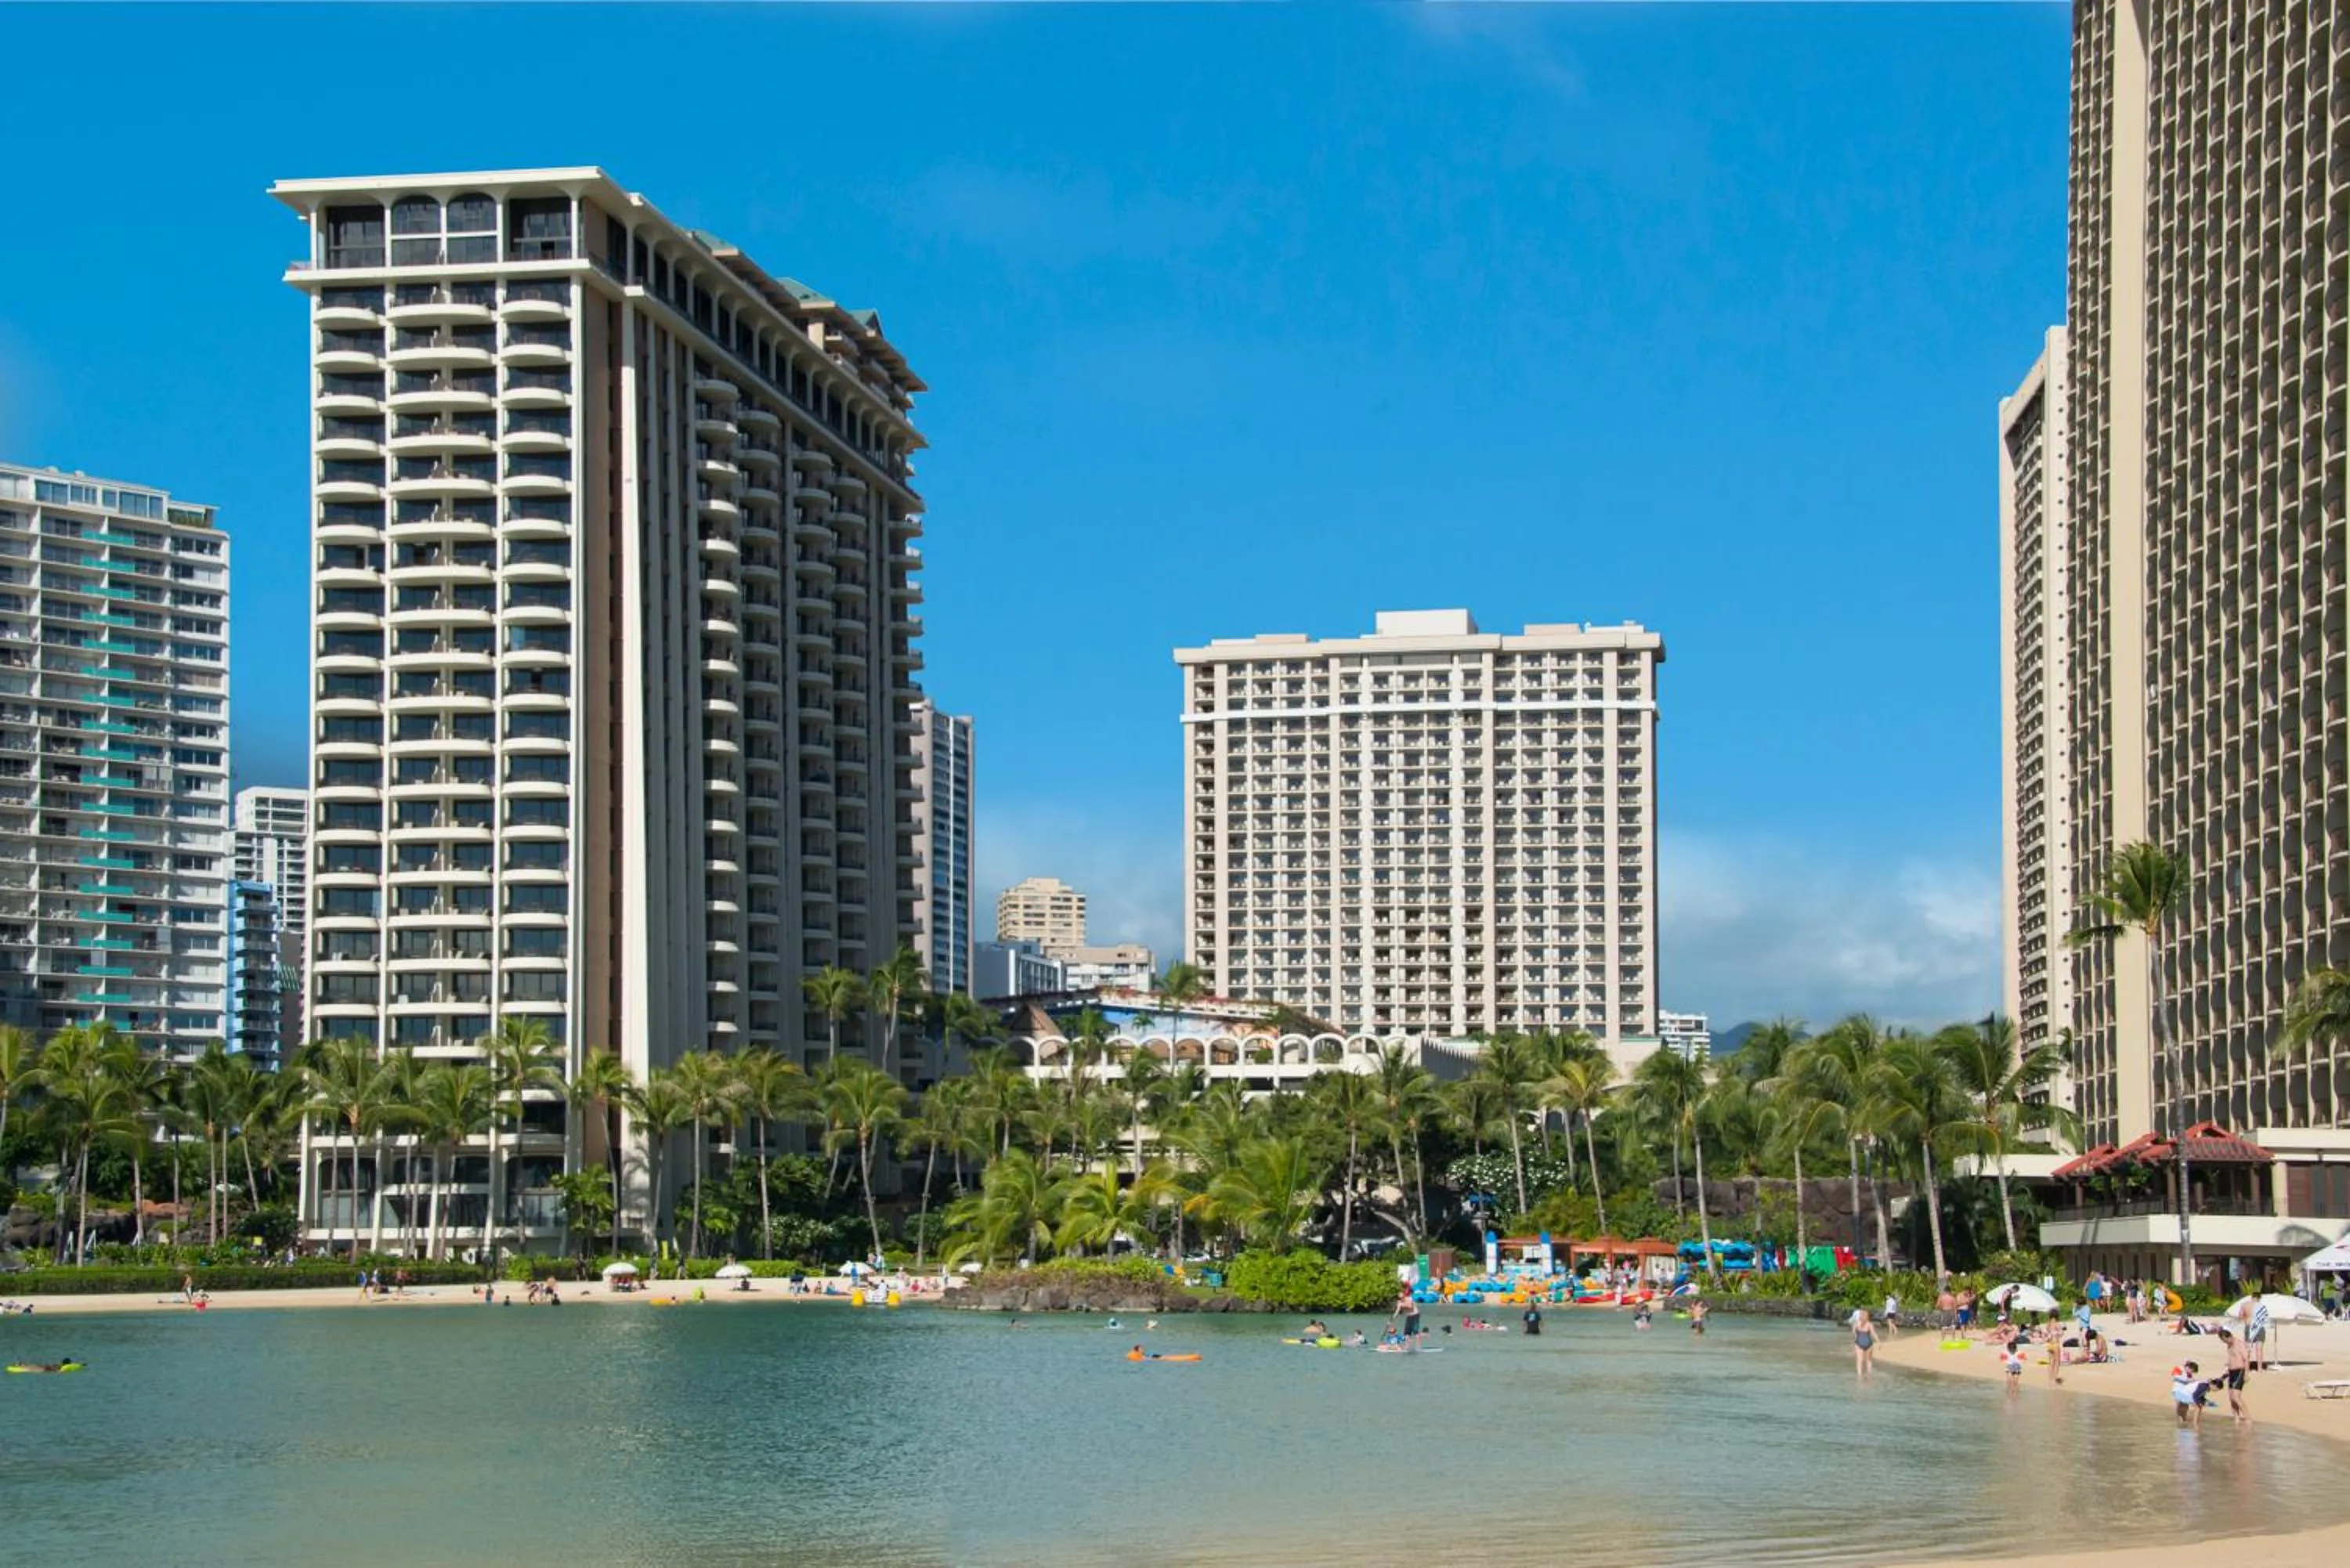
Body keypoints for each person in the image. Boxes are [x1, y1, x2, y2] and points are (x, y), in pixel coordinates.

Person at [2218, 1328, 2250, 1422]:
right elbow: (2233, 1357)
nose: (2226, 1343)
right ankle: (2237, 1419)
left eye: (2226, 1340)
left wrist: (2246, 1374)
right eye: (2224, 1341)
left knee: (2236, 1397)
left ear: (2230, 1336)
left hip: (2240, 1371)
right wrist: (2227, 1370)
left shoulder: (2239, 1344)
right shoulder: (2229, 1345)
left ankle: (2248, 1418)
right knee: (2231, 1398)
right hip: (2231, 1372)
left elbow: (2246, 1359)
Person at [2173, 1361, 2209, 1429]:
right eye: (2191, 1371)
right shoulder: (2178, 1368)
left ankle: (2183, 1421)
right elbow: (2176, 1378)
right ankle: (2179, 1422)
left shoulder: (2189, 1374)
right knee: (2179, 1406)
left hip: (2185, 1391)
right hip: (2177, 1390)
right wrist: (2188, 1380)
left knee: (2185, 1406)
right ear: (2189, 1368)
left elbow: (2189, 1382)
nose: (2191, 1373)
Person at [1394, 1285, 1423, 1351]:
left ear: (1404, 1296)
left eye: (1403, 1297)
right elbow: (1397, 1312)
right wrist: (1392, 1319)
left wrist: (1401, 1305)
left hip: (1415, 1315)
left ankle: (1418, 1347)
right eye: (1400, 1298)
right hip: (1409, 1317)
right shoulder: (1400, 1303)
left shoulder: (1410, 1299)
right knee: (1407, 1333)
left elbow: (1410, 1307)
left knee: (1415, 1331)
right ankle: (1407, 1347)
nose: (1402, 1298)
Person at [1852, 1308, 1876, 1380]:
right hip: (1863, 1343)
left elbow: (1873, 1334)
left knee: (1864, 1361)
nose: (1863, 1316)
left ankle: (1864, 1376)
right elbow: (1854, 1335)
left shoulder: (1867, 1324)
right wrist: (1879, 1341)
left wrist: (1879, 1342)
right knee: (1864, 1361)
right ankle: (1864, 1377)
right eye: (1862, 1314)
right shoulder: (1859, 1324)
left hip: (1864, 1343)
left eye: (1864, 1315)